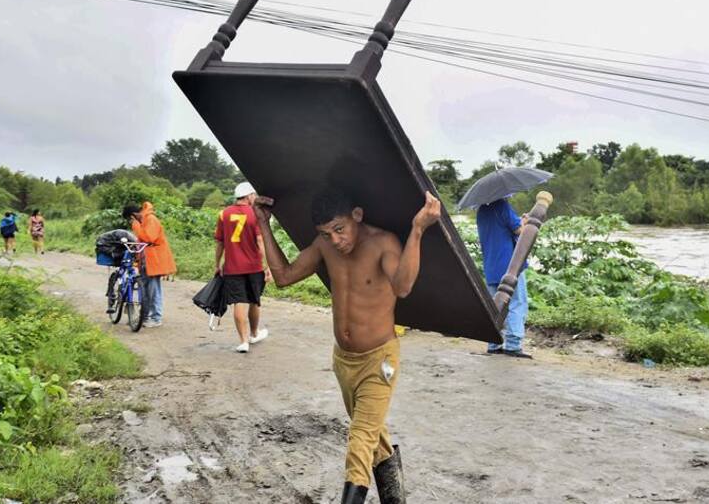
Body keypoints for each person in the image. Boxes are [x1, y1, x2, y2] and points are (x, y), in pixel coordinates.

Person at [255, 188, 440, 504]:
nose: (335, 240)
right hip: (344, 361)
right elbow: (284, 277)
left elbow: (403, 286)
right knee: (372, 434)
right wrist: (263, 224)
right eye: (326, 233)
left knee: (360, 438)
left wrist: (418, 229)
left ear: (357, 215)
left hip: (380, 359)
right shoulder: (324, 247)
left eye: (339, 229)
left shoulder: (383, 243)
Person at [214, 182, 271, 353]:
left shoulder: (224, 214)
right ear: (248, 196)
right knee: (254, 300)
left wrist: (217, 264)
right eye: (253, 195)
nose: (254, 198)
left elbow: (219, 242)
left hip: (232, 267)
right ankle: (254, 333)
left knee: (239, 301)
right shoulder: (254, 214)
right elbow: (260, 241)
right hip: (254, 266)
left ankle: (243, 341)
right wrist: (268, 266)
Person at [476, 197, 531, 358]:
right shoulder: (502, 205)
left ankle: (494, 343)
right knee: (516, 302)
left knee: (496, 306)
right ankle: (513, 345)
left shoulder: (481, 210)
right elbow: (519, 231)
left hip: (491, 265)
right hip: (511, 265)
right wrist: (526, 221)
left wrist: (519, 221)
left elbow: (500, 229)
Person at [123, 202, 176, 328]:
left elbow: (149, 238)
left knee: (153, 288)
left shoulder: (150, 219)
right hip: (147, 258)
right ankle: (144, 317)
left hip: (155, 258)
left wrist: (136, 227)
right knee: (145, 288)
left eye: (131, 219)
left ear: (133, 215)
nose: (132, 222)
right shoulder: (144, 220)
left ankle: (156, 317)